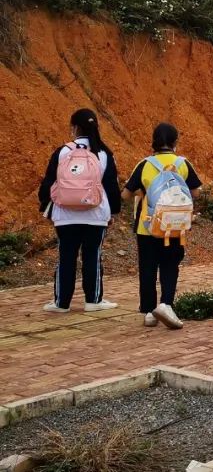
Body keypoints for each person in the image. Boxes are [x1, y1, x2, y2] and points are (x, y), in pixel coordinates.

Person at [37, 108, 122, 313]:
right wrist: (112, 213)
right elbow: (111, 187)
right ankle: (93, 301)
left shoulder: (62, 151)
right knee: (92, 255)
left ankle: (61, 303)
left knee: (66, 256)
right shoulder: (103, 153)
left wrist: (46, 207)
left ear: (74, 128)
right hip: (95, 214)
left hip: (65, 214)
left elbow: (48, 183)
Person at [121, 122, 202, 329]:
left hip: (147, 227)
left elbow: (126, 194)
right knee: (170, 265)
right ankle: (166, 303)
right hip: (174, 226)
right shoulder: (183, 163)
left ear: (154, 141)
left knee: (147, 268)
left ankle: (149, 312)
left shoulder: (145, 164)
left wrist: (143, 192)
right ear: (176, 142)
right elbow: (196, 192)